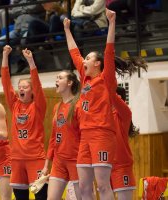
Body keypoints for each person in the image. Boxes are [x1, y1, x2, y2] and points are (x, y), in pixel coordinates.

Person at [64, 9, 117, 200]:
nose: (84, 60)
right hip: (85, 135)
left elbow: (109, 51)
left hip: (102, 133)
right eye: (85, 58)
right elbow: (74, 52)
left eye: (88, 58)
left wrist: (111, 22)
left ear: (98, 64)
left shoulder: (106, 79)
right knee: (84, 186)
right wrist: (67, 29)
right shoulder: (84, 78)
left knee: (102, 185)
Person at [1, 45, 48, 200]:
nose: (21, 89)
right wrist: (5, 56)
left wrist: (31, 61)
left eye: (25, 87)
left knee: (41, 197)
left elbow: (38, 85)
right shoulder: (14, 105)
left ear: (31, 90)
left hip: (36, 158)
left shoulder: (38, 106)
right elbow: (6, 82)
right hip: (16, 160)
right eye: (19, 87)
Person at [44, 70, 81, 200]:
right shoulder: (57, 107)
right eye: (56, 78)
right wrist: (46, 164)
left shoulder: (78, 105)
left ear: (70, 82)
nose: (56, 80)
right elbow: (53, 138)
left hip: (76, 160)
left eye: (60, 78)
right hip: (59, 161)